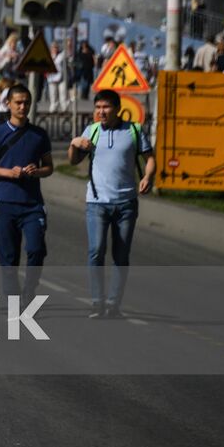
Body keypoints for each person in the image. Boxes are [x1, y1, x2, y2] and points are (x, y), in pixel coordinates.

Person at [67, 89, 156, 319]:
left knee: (121, 255)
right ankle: (97, 302)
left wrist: (148, 177)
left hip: (126, 204)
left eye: (106, 107)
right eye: (97, 108)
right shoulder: (92, 131)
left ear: (118, 109)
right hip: (96, 202)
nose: (101, 112)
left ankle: (113, 304)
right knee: (96, 250)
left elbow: (150, 158)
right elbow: (73, 160)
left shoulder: (134, 130)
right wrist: (74, 143)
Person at [0, 82, 53, 307]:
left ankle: (30, 290)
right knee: (8, 256)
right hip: (6, 201)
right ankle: (13, 298)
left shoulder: (39, 134)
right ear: (8, 104)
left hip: (32, 204)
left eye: (26, 103)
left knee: (36, 249)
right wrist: (8, 173)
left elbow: (49, 167)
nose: (22, 107)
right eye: (18, 103)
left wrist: (37, 171)